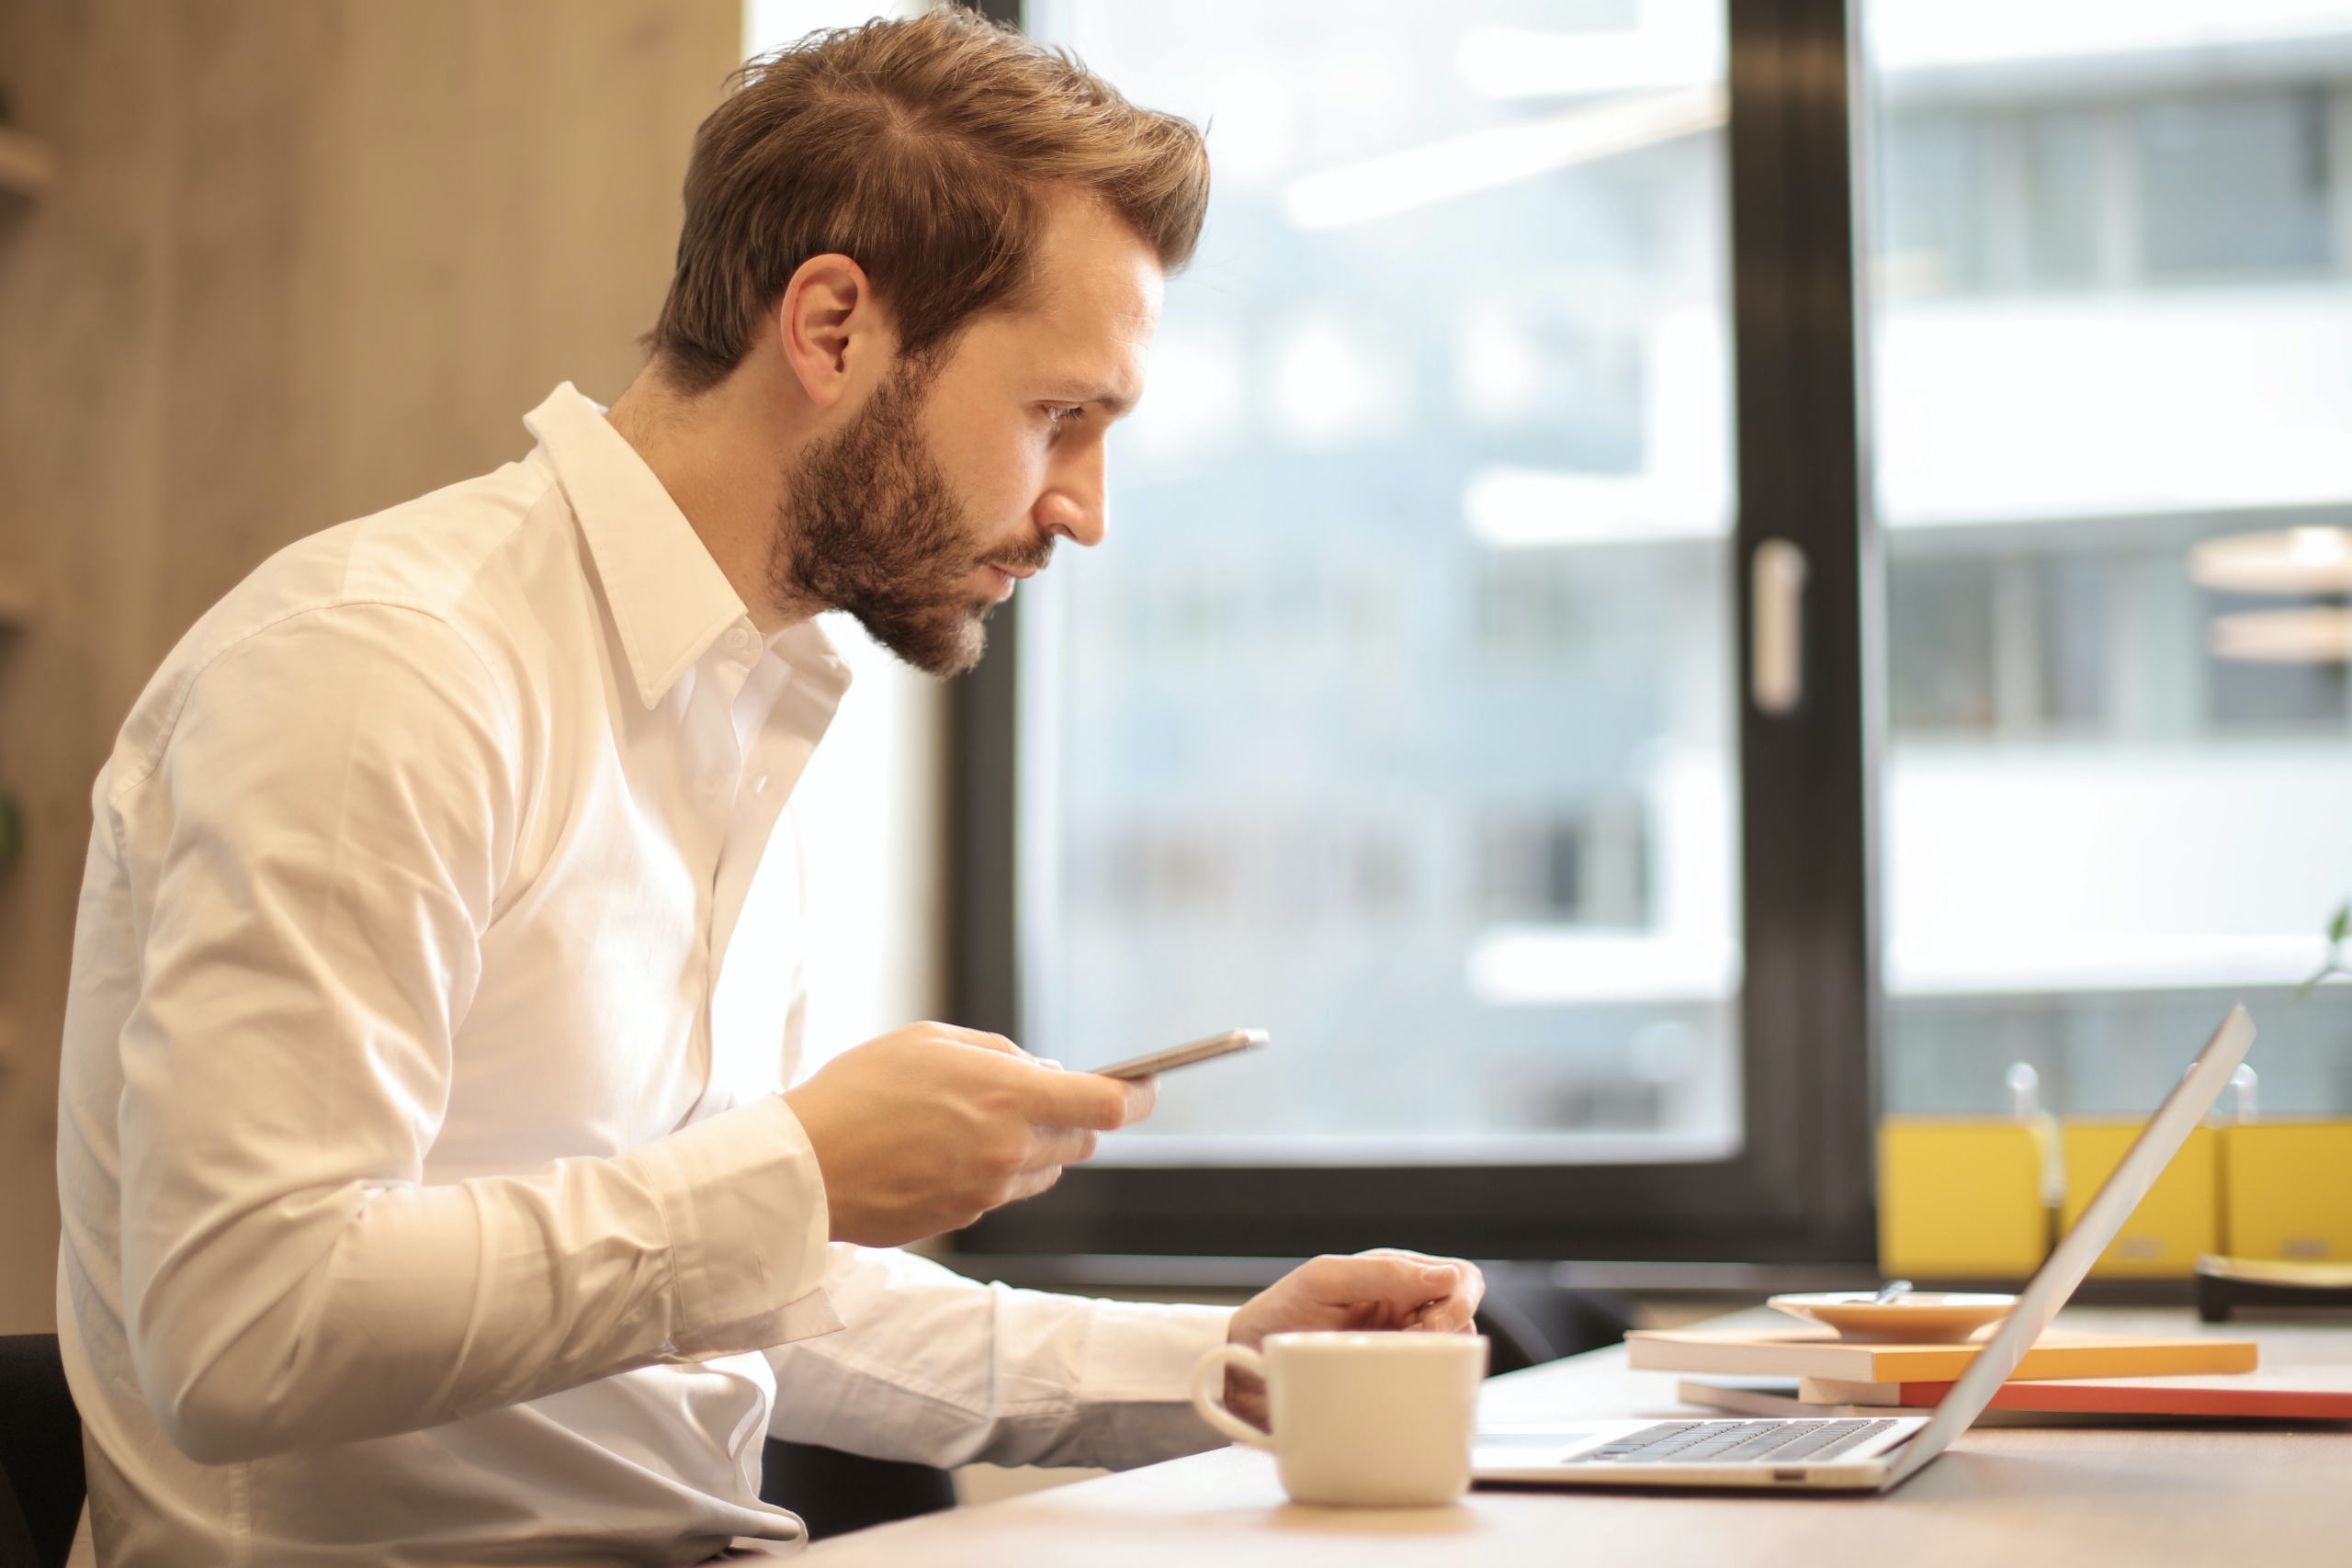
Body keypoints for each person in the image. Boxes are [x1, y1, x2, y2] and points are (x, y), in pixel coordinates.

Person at [53, 12, 1484, 1564]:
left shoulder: (748, 699)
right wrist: (798, 1167)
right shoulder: (384, 668)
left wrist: (1220, 1362)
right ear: (831, 328)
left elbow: (716, 1285)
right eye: (1057, 416)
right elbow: (245, 1322)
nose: (1083, 510)